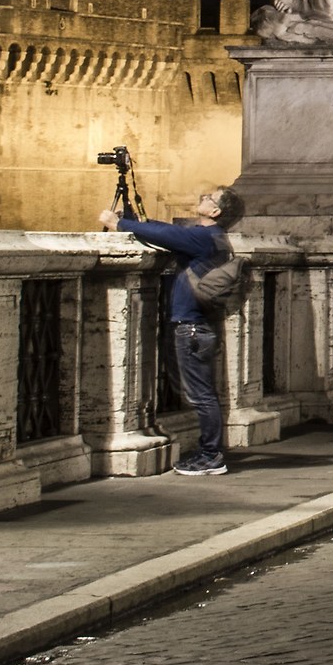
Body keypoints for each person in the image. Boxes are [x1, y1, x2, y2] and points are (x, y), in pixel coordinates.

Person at [101, 185, 243, 476]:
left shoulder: (204, 238)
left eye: (208, 198)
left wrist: (119, 224)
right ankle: (210, 453)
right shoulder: (212, 238)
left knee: (202, 395)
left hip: (191, 328)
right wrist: (134, 218)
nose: (202, 197)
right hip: (199, 326)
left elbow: (166, 236)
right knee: (203, 393)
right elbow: (167, 231)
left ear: (215, 212)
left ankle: (211, 456)